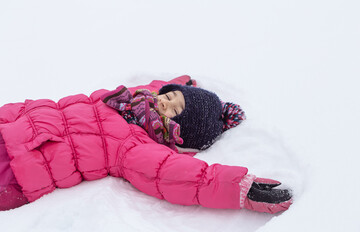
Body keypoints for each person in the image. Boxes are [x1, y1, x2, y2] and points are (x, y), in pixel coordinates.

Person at [0, 75, 292, 213]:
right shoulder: (129, 97)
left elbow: (178, 175)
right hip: (10, 127)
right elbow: (157, 88)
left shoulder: (138, 144)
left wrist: (238, 187)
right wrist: (182, 83)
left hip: (22, 168)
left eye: (175, 109)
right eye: (170, 95)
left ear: (178, 131)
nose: (165, 102)